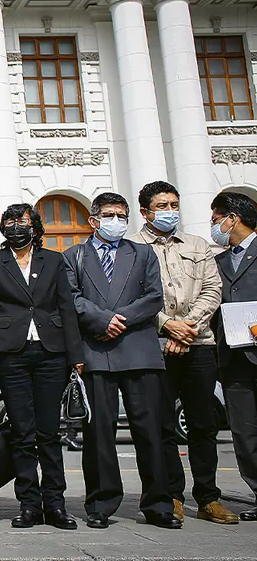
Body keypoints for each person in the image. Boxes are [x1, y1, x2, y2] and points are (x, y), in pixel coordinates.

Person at [63, 192, 180, 530]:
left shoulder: (142, 253)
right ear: (93, 220)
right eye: (110, 214)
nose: (116, 220)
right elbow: (72, 297)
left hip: (138, 349)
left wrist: (119, 320)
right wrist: (102, 320)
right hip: (97, 352)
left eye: (122, 214)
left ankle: (159, 502)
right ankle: (101, 502)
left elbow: (154, 297)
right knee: (98, 433)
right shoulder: (74, 256)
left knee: (151, 432)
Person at [131, 182, 237, 524]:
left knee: (203, 424)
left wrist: (186, 327)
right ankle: (172, 494)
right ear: (146, 211)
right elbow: (133, 297)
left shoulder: (196, 245)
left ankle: (208, 496)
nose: (170, 211)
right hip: (154, 346)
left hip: (199, 344)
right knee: (162, 425)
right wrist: (166, 326)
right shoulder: (132, 247)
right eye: (162, 205)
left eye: (174, 204)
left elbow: (212, 288)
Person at [0, 204, 82, 530]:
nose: (15, 227)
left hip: (51, 353)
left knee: (49, 433)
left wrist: (75, 354)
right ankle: (29, 505)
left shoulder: (53, 259)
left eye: (20, 222)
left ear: (34, 227)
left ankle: (56, 504)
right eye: (9, 222)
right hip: (11, 354)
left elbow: (66, 306)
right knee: (22, 433)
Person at [210, 191, 257, 522]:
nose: (215, 226)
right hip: (234, 358)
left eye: (216, 219)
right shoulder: (219, 262)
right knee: (244, 432)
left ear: (233, 218)